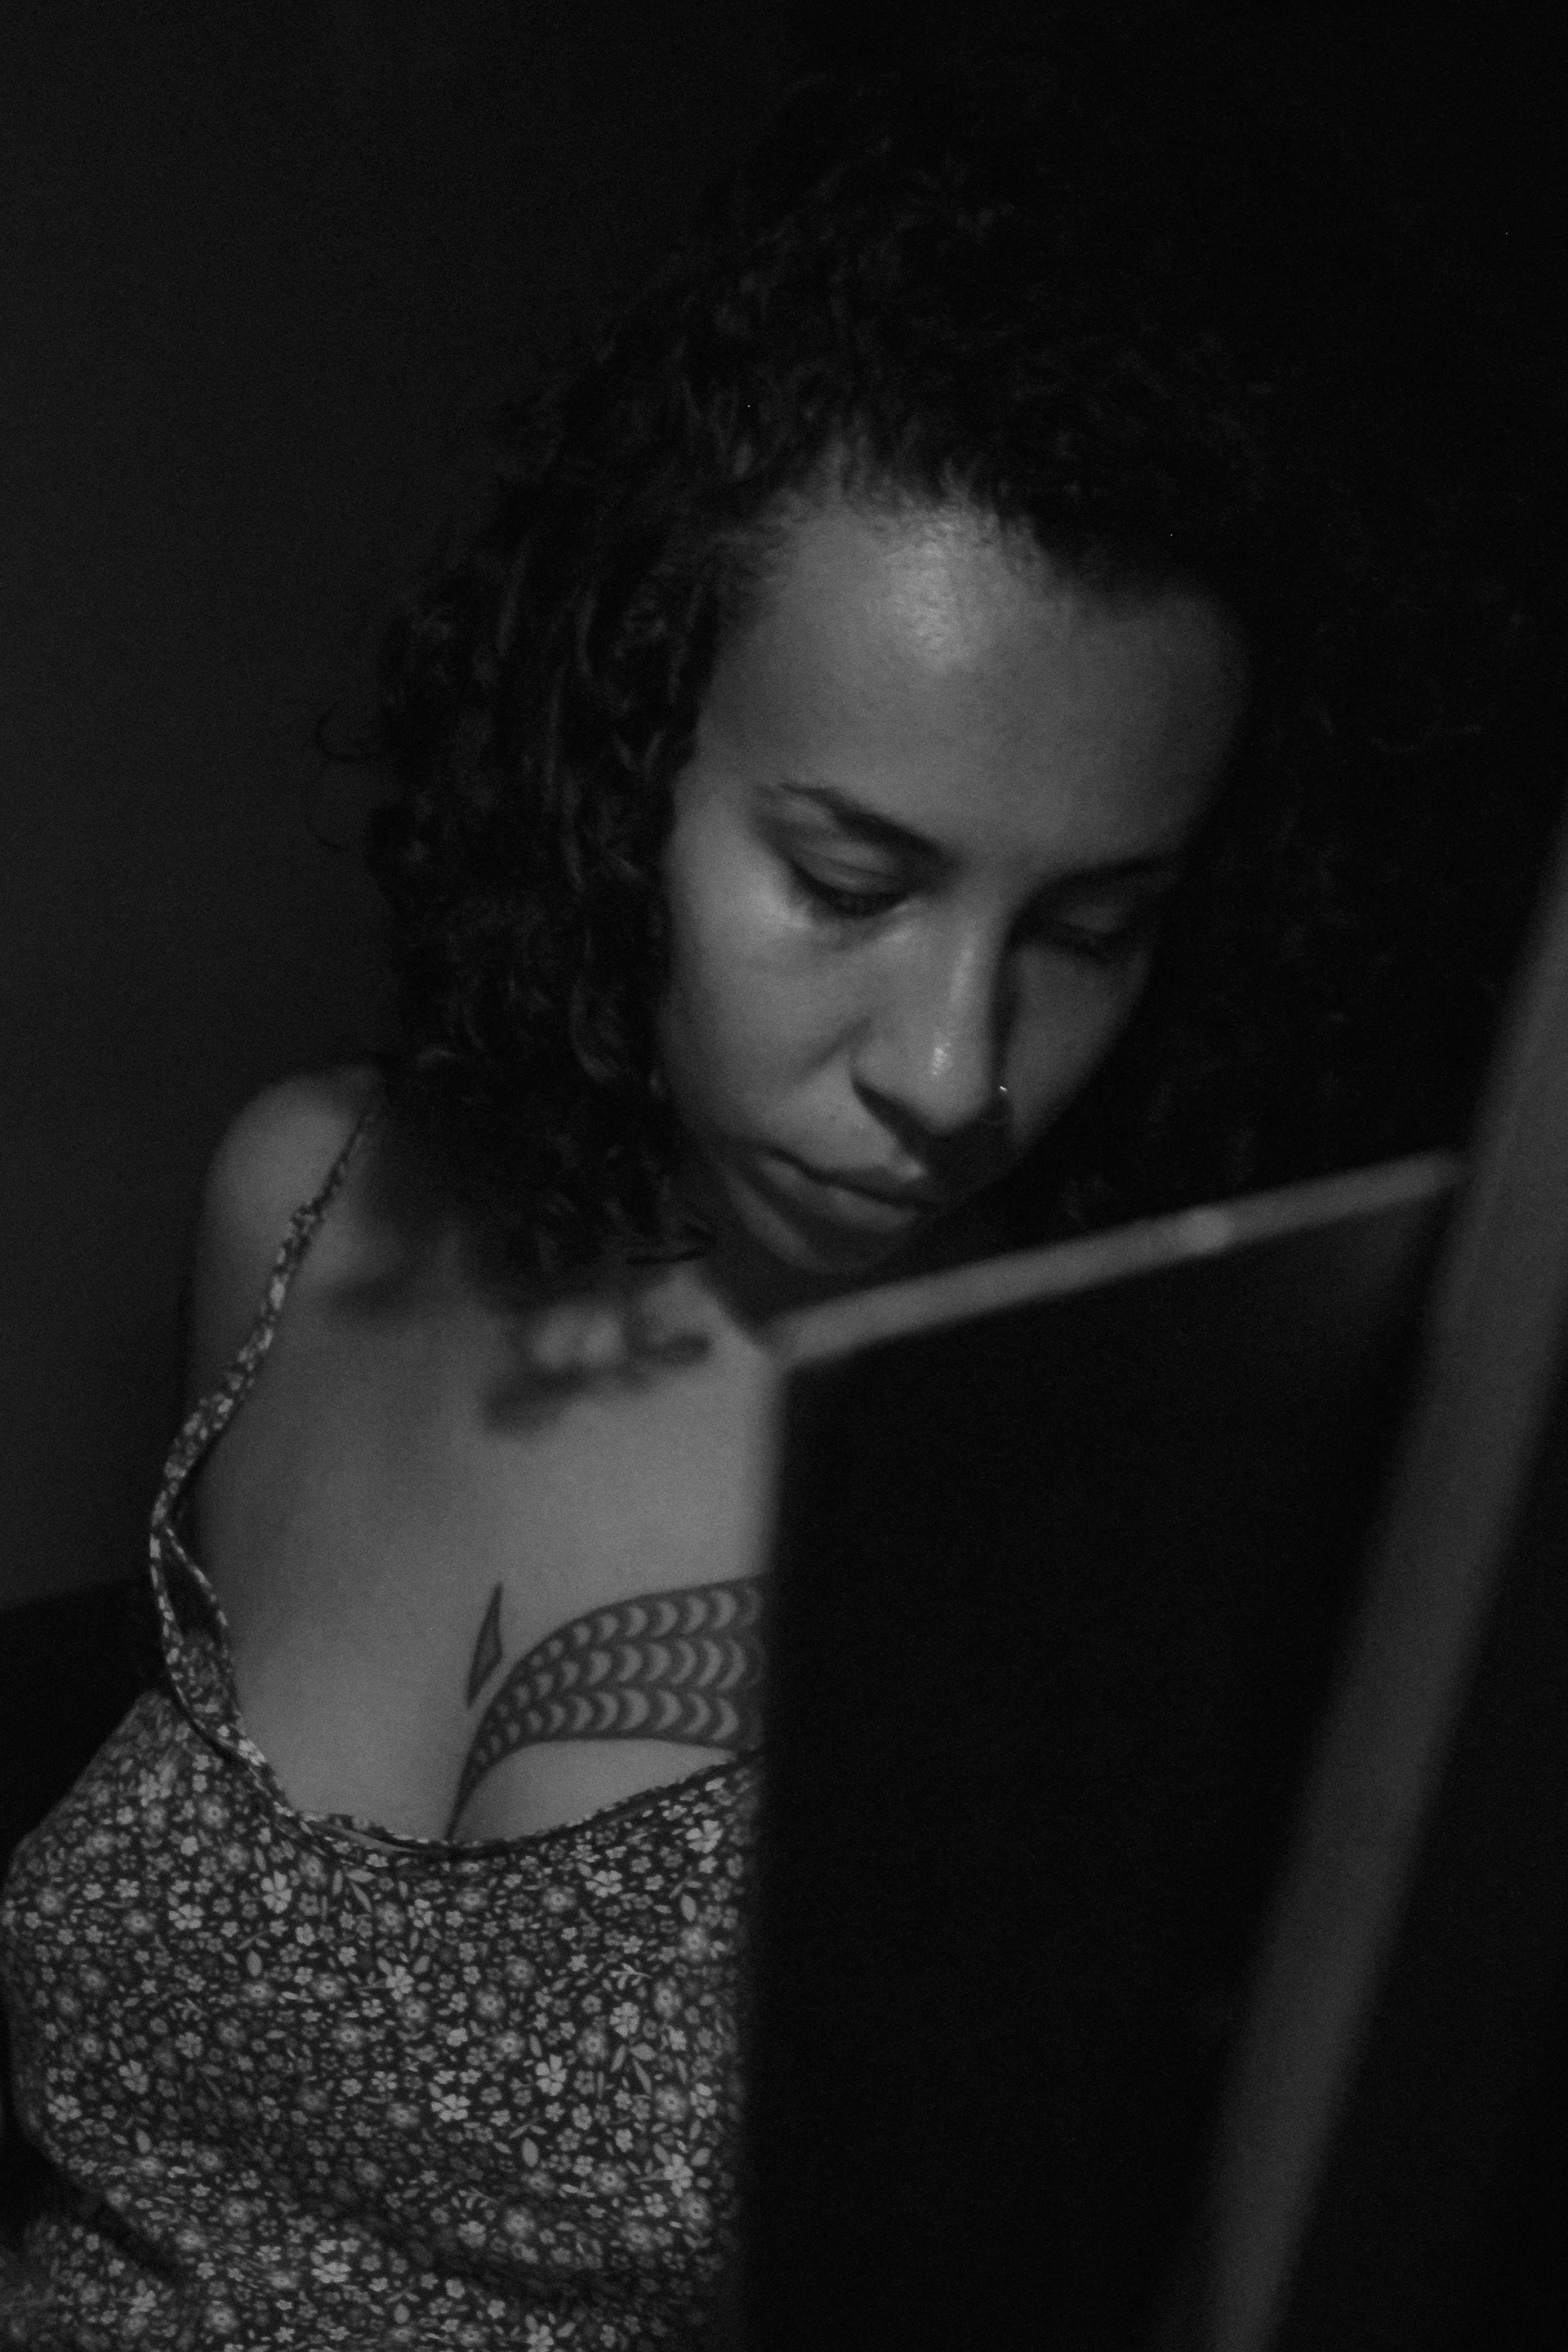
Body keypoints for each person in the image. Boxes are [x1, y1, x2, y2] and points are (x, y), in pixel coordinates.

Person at [0, 27, 1526, 2350]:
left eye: (1092, 927)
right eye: (849, 880)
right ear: (622, 766)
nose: (954, 1067)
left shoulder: (1095, 1475)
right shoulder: (310, 1206)